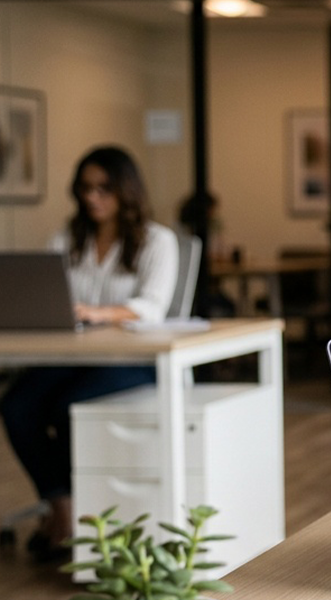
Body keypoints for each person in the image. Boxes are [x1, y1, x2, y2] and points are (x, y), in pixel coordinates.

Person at [1, 146, 178, 561]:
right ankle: (61, 505)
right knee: (17, 404)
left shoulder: (158, 241)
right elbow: (49, 295)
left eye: (104, 189)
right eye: (85, 189)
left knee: (68, 406)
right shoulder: (66, 239)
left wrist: (97, 313)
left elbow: (151, 307)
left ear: (125, 190)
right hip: (74, 356)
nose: (93, 198)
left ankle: (81, 515)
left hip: (135, 360)